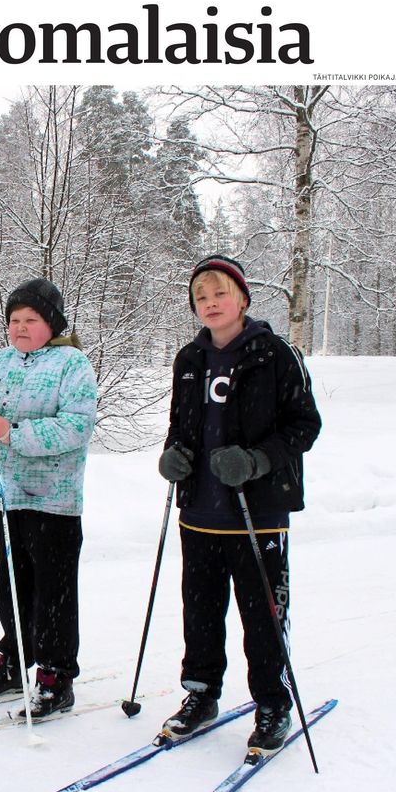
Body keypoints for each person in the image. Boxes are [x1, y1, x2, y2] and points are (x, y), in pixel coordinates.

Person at [158, 255, 322, 750]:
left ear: (243, 298)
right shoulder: (189, 360)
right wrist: (175, 456)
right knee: (200, 612)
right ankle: (201, 694)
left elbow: (304, 426)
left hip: (258, 513)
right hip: (200, 514)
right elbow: (179, 425)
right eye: (201, 297)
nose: (210, 304)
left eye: (220, 294)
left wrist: (256, 461)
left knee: (263, 616)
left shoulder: (276, 353)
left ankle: (273, 704)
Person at [0, 278, 98, 717]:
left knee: (53, 591)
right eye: (14, 320)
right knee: (12, 587)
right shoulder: (0, 361)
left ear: (52, 323)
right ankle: (14, 661)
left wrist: (14, 432)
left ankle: (56, 676)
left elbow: (76, 427)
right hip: (5, 492)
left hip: (53, 497)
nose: (20, 328)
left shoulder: (71, 363)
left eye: (31, 320)